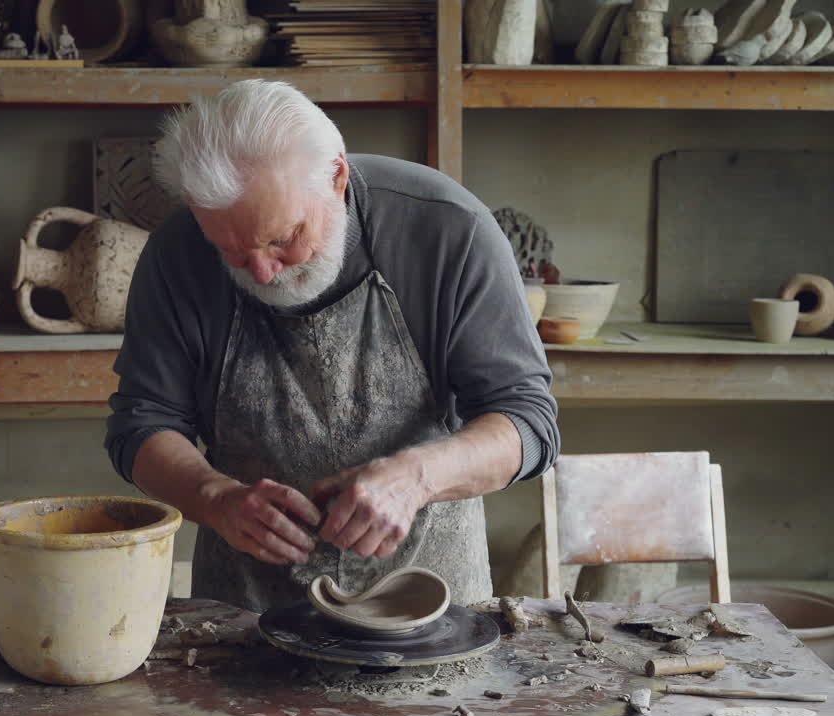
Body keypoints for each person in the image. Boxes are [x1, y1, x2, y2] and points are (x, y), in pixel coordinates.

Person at [105, 79, 560, 612]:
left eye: (283, 239)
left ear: (337, 176)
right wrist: (216, 498)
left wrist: (417, 478)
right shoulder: (177, 252)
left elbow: (528, 423)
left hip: (429, 606)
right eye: (232, 252)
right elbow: (142, 424)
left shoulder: (448, 230)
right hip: (245, 611)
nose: (263, 272)